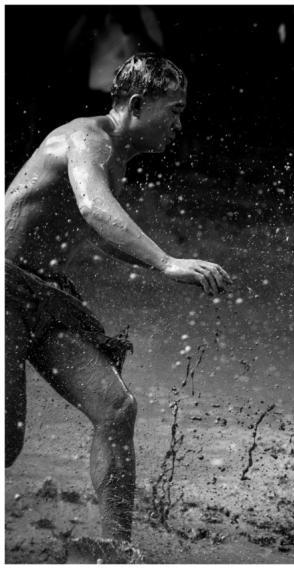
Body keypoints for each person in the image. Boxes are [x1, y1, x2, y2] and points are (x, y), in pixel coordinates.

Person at [5, 53, 231, 551]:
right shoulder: (88, 137)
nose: (179, 122)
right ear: (135, 105)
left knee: (115, 408)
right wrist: (167, 261)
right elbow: (93, 206)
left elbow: (100, 233)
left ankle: (116, 553)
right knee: (5, 442)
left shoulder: (116, 153)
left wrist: (162, 266)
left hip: (45, 292)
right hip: (3, 286)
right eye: (173, 110)